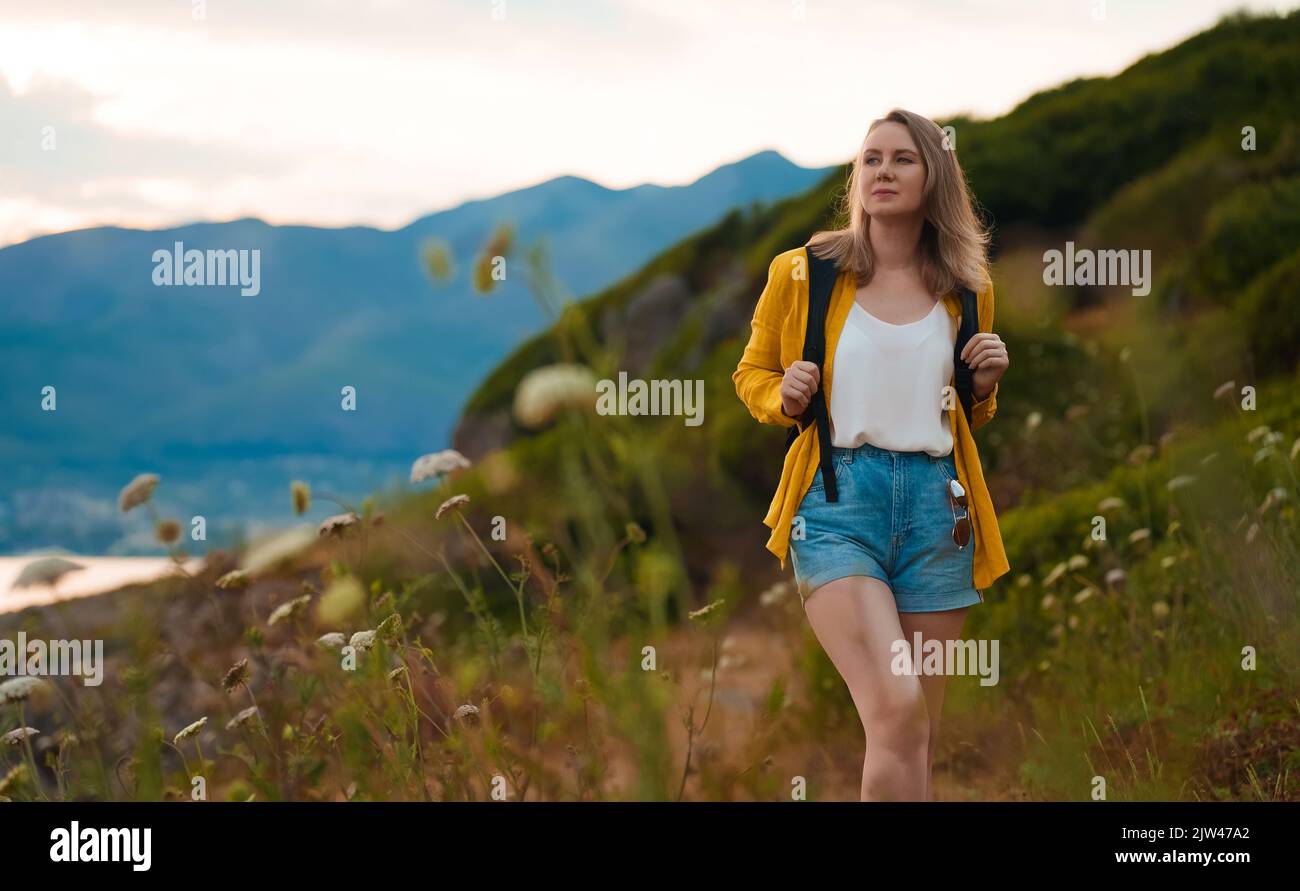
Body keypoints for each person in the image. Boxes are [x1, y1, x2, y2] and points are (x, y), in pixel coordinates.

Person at [731, 108, 1011, 801]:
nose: (882, 171)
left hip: (938, 513)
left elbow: (965, 416)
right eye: (871, 159)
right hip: (836, 504)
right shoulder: (803, 273)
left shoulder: (969, 287)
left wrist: (983, 384)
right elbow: (751, 375)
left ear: (934, 176)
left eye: (902, 159)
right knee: (896, 705)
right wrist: (784, 396)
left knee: (915, 732)